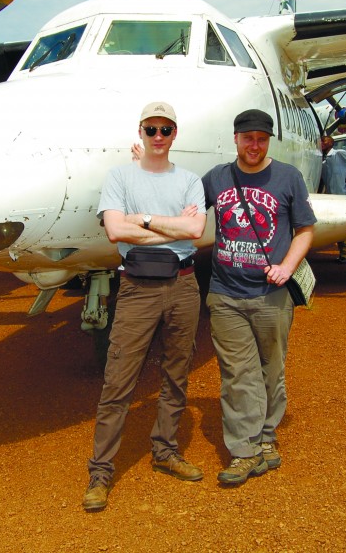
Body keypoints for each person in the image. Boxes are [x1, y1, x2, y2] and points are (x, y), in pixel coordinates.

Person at [82, 101, 207, 513]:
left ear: (175, 134)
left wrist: (146, 221)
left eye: (165, 130)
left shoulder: (190, 180)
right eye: (150, 129)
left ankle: (165, 451)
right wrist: (171, 228)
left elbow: (196, 231)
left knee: (176, 374)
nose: (158, 137)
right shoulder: (119, 177)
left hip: (185, 286)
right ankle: (101, 472)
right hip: (137, 289)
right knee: (118, 380)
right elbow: (117, 230)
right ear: (140, 132)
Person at [201, 109, 316, 485]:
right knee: (238, 373)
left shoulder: (288, 177)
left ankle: (267, 434)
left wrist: (286, 266)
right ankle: (245, 450)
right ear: (235, 139)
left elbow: (304, 230)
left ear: (269, 141)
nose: (254, 145)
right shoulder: (217, 178)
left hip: (272, 295)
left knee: (271, 368)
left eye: (261, 139)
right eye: (247, 138)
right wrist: (145, 169)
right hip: (225, 293)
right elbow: (182, 203)